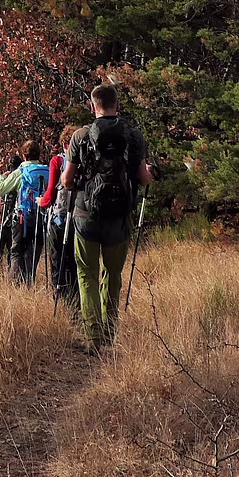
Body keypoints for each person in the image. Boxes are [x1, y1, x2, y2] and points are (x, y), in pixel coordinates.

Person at [61, 84, 152, 351]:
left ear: (93, 107)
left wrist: (75, 184)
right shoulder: (134, 136)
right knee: (112, 274)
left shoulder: (80, 136)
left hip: (86, 216)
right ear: (117, 106)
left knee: (86, 274)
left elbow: (66, 180)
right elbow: (143, 178)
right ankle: (110, 333)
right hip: (119, 217)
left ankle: (93, 336)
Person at [39, 128, 80, 310]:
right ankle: (77, 301)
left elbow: (49, 196)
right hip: (80, 219)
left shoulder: (57, 161)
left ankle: (62, 299)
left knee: (58, 261)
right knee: (75, 262)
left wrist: (40, 202)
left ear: (64, 144)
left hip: (60, 220)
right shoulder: (87, 161)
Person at [11, 140, 47, 286]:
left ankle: (16, 285)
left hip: (22, 216)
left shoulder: (20, 171)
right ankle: (29, 281)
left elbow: (1, 190)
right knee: (34, 250)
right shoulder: (47, 171)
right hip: (41, 216)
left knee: (17, 251)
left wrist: (2, 178)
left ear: (24, 155)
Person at [0, 163, 22, 264]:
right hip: (15, 220)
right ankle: (11, 271)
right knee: (12, 252)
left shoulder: (0, 180)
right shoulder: (21, 178)